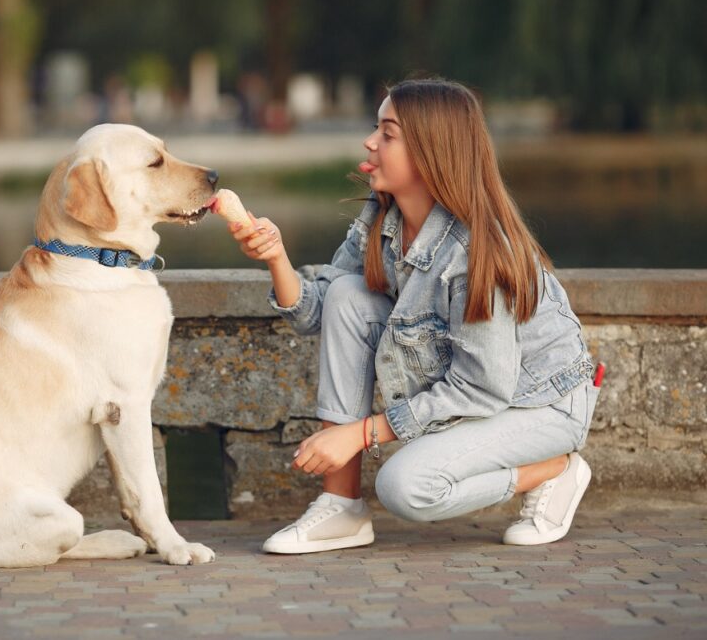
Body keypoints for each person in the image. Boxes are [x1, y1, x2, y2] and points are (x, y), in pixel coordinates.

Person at [227, 78, 599, 554]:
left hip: (539, 404)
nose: (369, 142)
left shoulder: (474, 252)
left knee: (406, 487)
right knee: (347, 294)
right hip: (478, 392)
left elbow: (482, 386)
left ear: (430, 153)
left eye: (387, 133)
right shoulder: (383, 218)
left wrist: (360, 434)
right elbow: (319, 312)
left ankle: (554, 470)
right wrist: (276, 256)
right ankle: (341, 507)